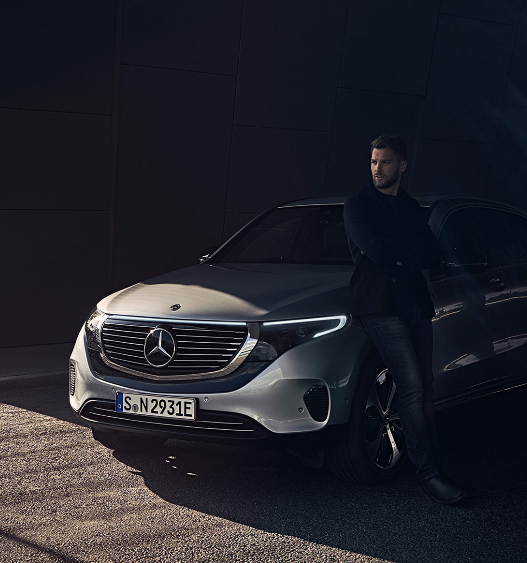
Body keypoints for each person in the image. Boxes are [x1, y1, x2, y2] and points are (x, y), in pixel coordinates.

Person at [344, 134, 470, 505]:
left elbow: (431, 254)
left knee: (426, 388)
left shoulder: (413, 207)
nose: (376, 169)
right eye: (372, 161)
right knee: (412, 386)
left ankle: (431, 464)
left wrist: (401, 254)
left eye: (384, 162)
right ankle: (429, 474)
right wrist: (403, 252)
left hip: (414, 304)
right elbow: (378, 249)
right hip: (379, 306)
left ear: (401, 165)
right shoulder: (358, 206)